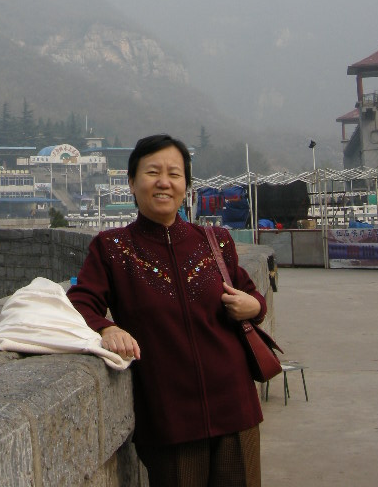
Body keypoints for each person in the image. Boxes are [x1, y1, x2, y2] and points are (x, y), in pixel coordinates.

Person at [67, 133, 265, 487]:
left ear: (186, 186)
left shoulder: (216, 241)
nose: (163, 182)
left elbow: (251, 296)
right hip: (169, 418)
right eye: (152, 172)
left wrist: (254, 305)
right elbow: (80, 303)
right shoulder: (113, 248)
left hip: (236, 406)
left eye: (174, 174)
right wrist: (106, 328)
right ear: (131, 182)